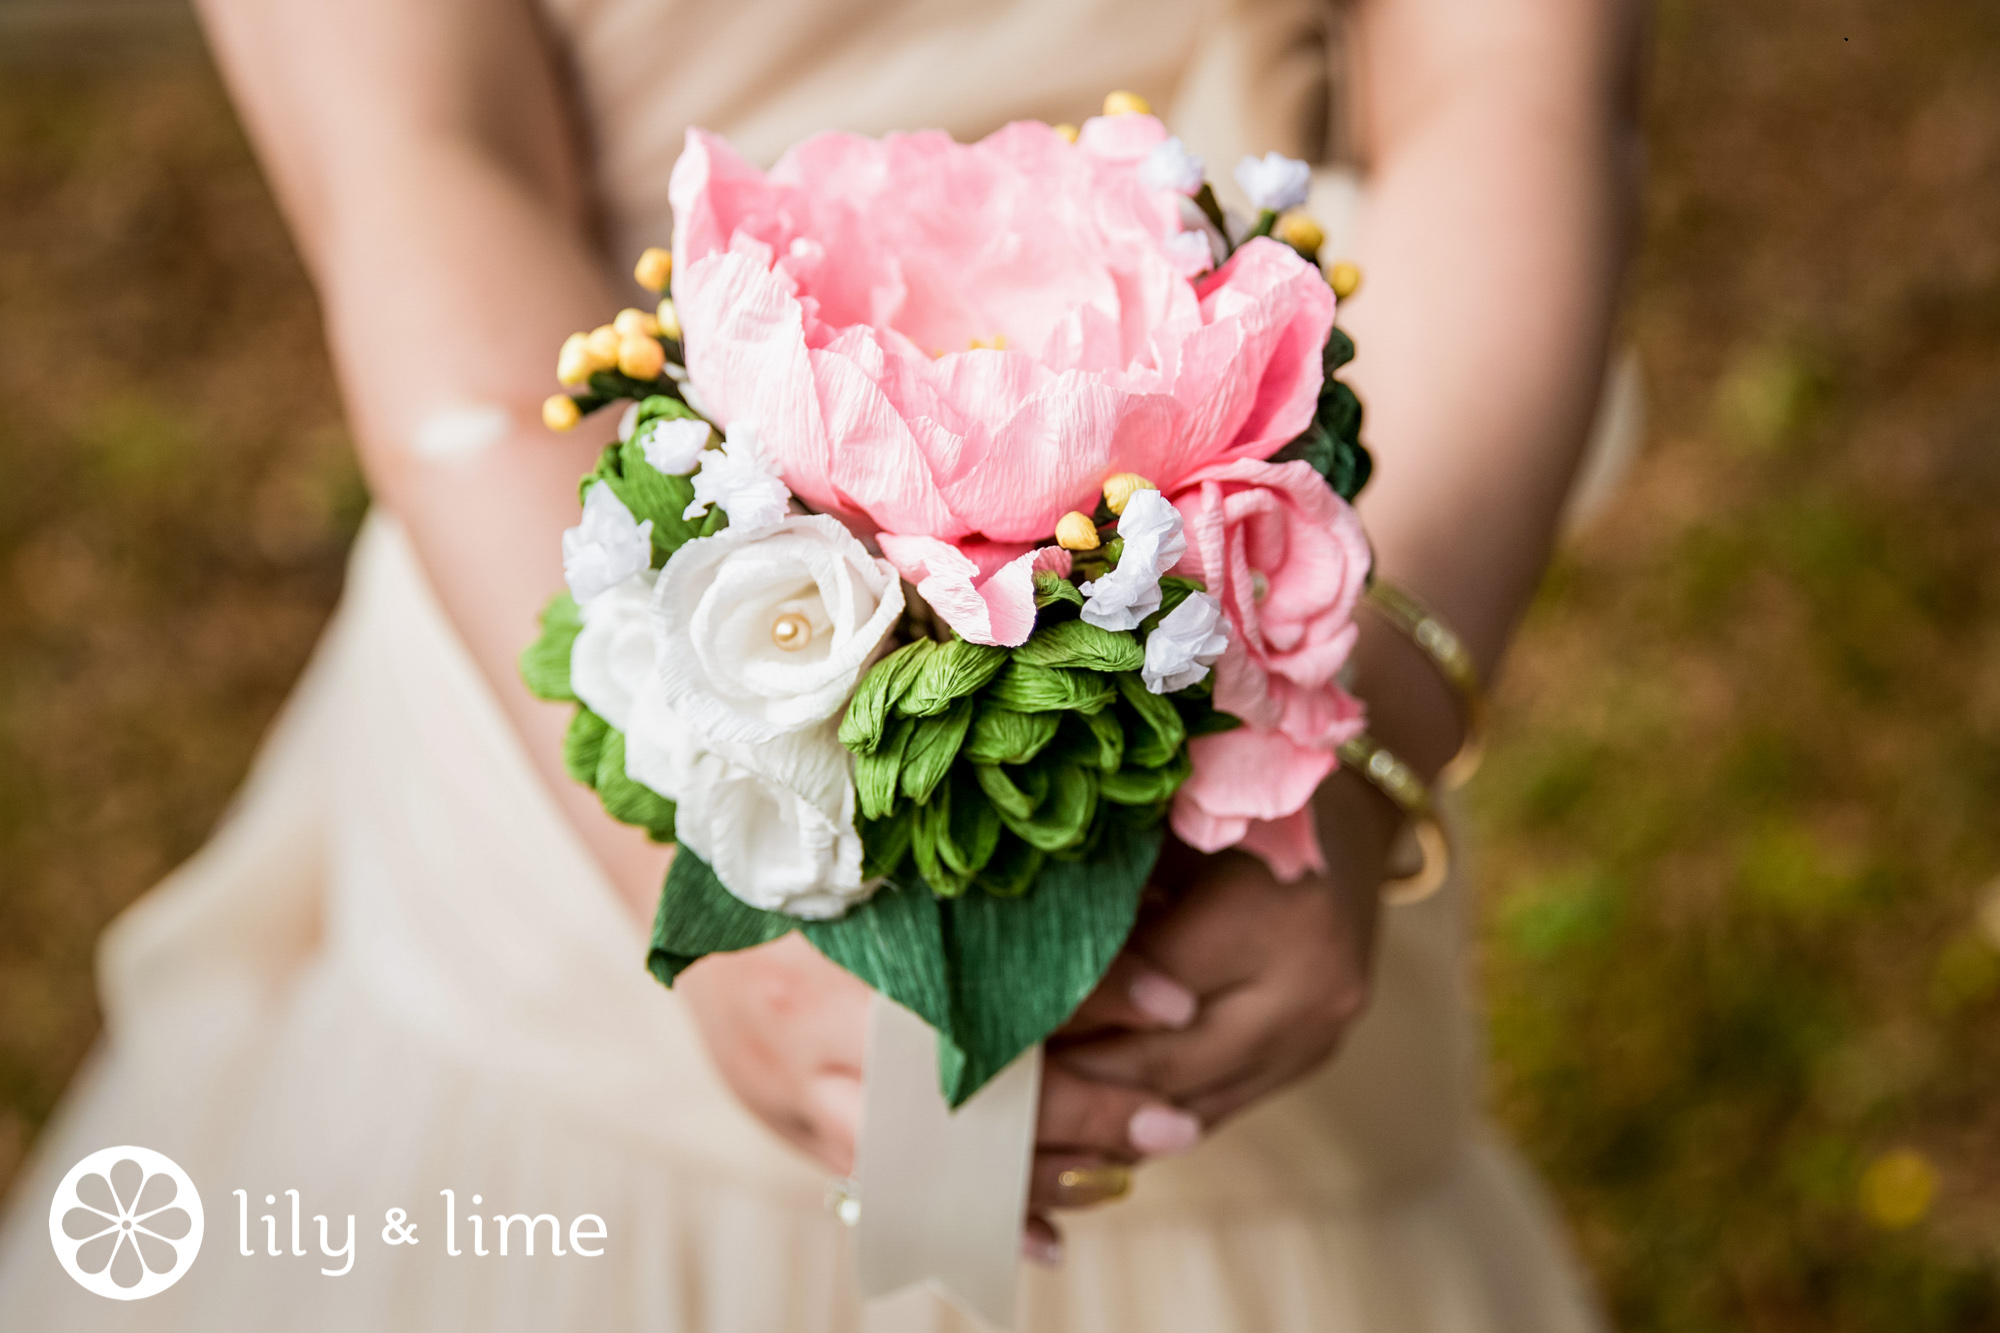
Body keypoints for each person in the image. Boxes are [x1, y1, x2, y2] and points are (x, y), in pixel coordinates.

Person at [0, 0, 1642, 1327]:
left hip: (1250, 641)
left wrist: (1357, 739)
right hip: (587, 667)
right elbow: (425, 173)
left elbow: (1509, 82)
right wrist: (684, 833)